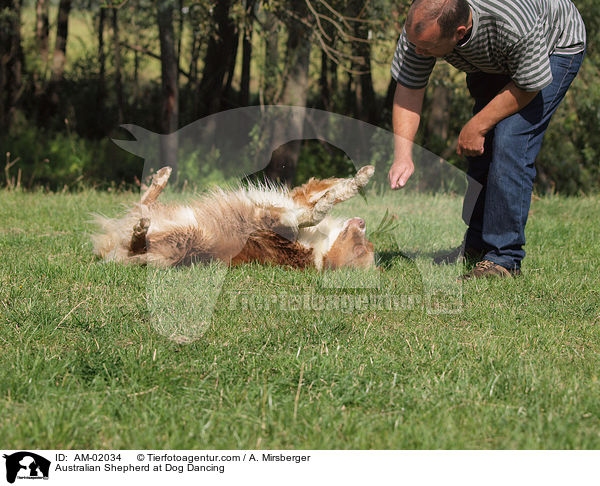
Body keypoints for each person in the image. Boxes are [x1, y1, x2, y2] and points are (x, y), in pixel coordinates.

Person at [388, 0, 586, 279]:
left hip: (554, 46)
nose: (418, 52)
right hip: (492, 58)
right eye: (415, 43)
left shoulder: (512, 24)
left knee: (510, 140)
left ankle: (504, 259)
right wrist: (402, 154)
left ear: (458, 33)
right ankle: (478, 246)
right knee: (481, 149)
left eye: (428, 48)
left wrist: (477, 124)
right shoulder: (421, 31)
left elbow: (529, 83)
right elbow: (409, 87)